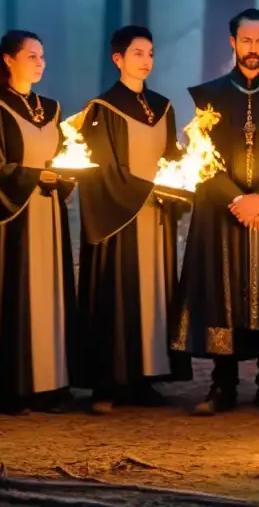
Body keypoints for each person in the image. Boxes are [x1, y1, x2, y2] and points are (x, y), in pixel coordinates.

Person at [171, 8, 259, 416]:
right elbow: (201, 155)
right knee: (223, 292)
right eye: (245, 41)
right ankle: (223, 386)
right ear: (232, 42)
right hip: (222, 212)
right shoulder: (207, 96)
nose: (253, 49)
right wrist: (236, 198)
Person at [77, 26, 191, 414]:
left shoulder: (164, 107)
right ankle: (107, 384)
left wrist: (177, 186)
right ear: (118, 59)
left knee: (155, 295)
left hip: (156, 217)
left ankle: (144, 378)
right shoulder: (102, 108)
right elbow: (101, 169)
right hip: (120, 218)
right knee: (117, 294)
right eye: (138, 53)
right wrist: (145, 190)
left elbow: (174, 157)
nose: (146, 61)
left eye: (151, 54)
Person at [0, 30, 79, 415]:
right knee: (18, 295)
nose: (39, 63)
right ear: (9, 60)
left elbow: (63, 157)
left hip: (48, 215)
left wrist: (66, 174)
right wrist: (33, 177)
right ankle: (12, 387)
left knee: (50, 295)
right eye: (31, 56)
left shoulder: (52, 108)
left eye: (42, 56)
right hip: (13, 221)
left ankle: (50, 383)